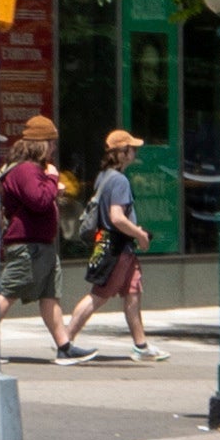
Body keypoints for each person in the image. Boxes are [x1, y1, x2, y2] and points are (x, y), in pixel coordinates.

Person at [0, 118, 79, 357]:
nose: (53, 148)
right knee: (8, 292)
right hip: (28, 246)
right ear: (41, 143)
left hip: (41, 245)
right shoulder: (26, 169)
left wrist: (52, 186)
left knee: (50, 295)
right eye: (51, 143)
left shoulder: (31, 170)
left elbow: (39, 197)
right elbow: (39, 200)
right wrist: (53, 180)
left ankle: (65, 348)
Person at [80, 128, 158, 356]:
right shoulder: (120, 181)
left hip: (115, 245)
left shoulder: (103, 177)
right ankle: (66, 340)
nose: (135, 152)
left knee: (133, 291)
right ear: (123, 153)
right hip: (117, 248)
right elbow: (116, 217)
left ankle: (141, 345)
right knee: (98, 296)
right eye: (132, 148)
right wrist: (140, 234)